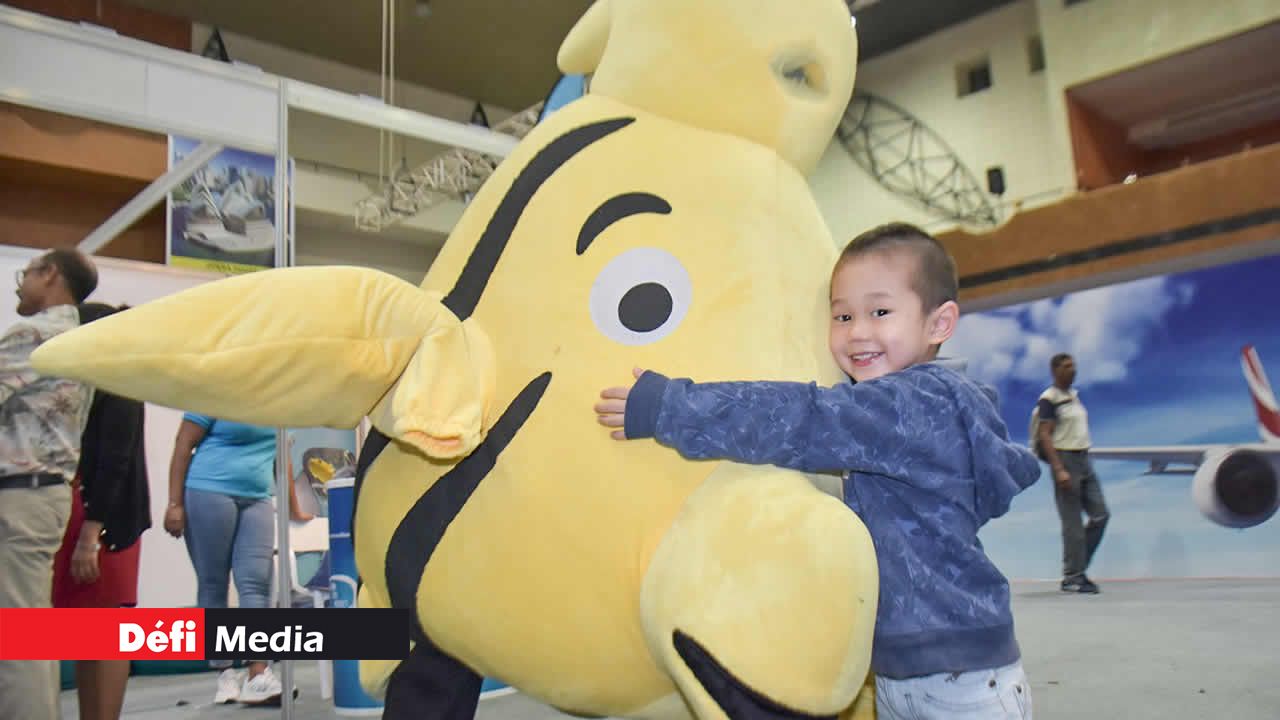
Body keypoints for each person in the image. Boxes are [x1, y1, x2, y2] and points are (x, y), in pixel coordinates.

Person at [594, 223, 1040, 719]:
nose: (857, 332)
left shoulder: (915, 404)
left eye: (880, 312)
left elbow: (804, 419)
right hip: (921, 671)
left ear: (939, 323)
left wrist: (671, 407)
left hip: (955, 682)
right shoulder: (917, 409)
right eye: (843, 315)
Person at [0, 248, 99, 720]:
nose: (20, 285)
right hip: (45, 494)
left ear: (51, 274)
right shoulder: (80, 340)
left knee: (17, 637)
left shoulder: (33, 333)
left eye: (26, 275)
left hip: (19, 494)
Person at [164, 414, 311, 706]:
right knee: (213, 584)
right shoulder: (217, 388)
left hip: (256, 496)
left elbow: (282, 457)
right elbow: (183, 443)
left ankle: (258, 674)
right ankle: (224, 672)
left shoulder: (280, 401)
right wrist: (174, 504)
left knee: (257, 583)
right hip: (208, 490)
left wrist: (295, 509)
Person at [49, 302, 150, 720]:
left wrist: (91, 534)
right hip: (87, 513)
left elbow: (115, 459)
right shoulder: (93, 379)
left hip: (103, 520)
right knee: (87, 632)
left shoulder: (117, 378)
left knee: (106, 631)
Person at [1035, 353, 1109, 595]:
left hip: (1084, 459)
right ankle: (1073, 577)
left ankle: (1076, 568)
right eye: (1067, 366)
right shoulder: (1049, 399)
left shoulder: (1074, 397)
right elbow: (1045, 434)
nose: (1073, 370)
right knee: (1073, 524)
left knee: (1101, 515)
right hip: (1065, 460)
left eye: (1074, 366)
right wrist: (1058, 468)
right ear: (1055, 370)